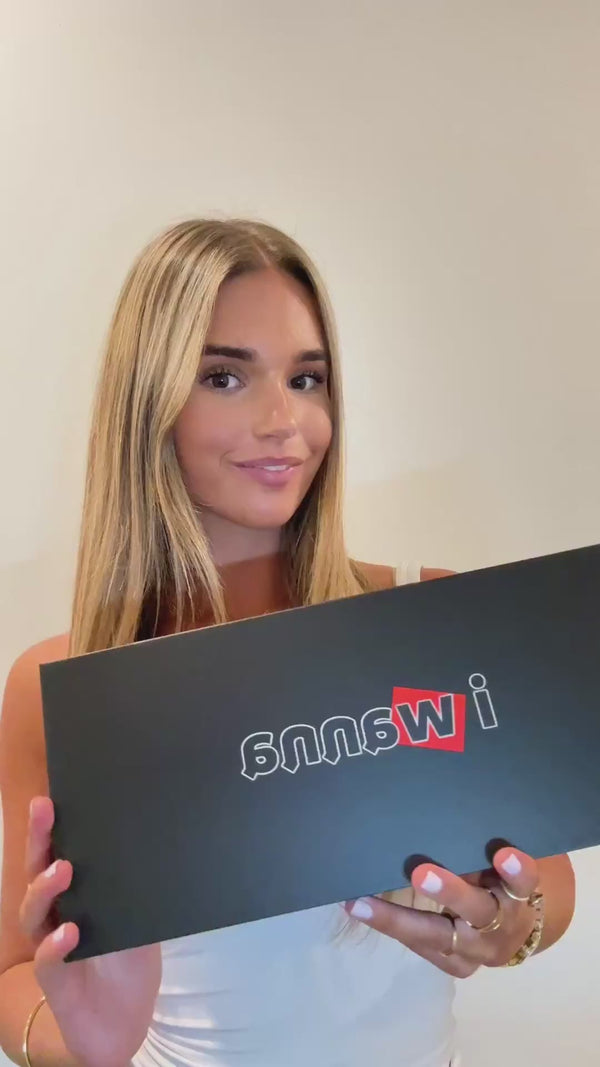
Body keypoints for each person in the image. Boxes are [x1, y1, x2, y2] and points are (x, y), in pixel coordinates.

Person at [0, 219, 576, 1067]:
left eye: (307, 378)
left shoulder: (429, 622)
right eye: (224, 376)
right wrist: (82, 1046)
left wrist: (509, 926)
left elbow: (547, 882)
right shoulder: (60, 683)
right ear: (148, 400)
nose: (285, 420)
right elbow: (15, 968)